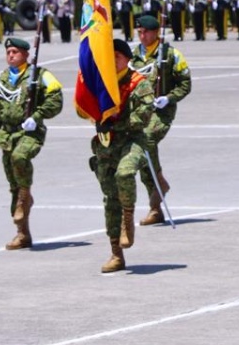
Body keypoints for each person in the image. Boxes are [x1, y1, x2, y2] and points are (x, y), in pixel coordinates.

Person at [81, 38, 161, 273]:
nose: (113, 61)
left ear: (127, 59)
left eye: (117, 57)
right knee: (110, 200)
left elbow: (144, 116)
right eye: (110, 57)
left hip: (132, 142)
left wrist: (115, 122)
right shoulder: (101, 84)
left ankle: (129, 219)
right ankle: (116, 253)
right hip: (107, 147)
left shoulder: (139, 83)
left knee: (125, 173)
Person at [0, 37, 64, 250]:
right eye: (8, 51)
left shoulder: (40, 75)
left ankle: (25, 195)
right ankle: (22, 233)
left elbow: (56, 100)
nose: (11, 55)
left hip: (30, 132)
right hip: (7, 135)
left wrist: (37, 117)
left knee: (21, 157)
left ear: (26, 55)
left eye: (15, 52)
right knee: (13, 185)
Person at [131, 15, 192, 227]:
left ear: (156, 32)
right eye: (139, 31)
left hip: (161, 113)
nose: (141, 35)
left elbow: (185, 84)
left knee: (146, 139)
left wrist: (169, 98)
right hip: (139, 112)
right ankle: (156, 203)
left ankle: (159, 189)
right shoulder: (133, 56)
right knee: (142, 151)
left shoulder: (170, 54)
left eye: (145, 31)